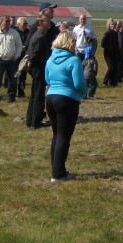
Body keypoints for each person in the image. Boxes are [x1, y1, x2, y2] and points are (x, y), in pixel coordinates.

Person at [44, 31, 86, 183]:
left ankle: (58, 168)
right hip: (67, 99)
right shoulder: (74, 61)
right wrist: (82, 93)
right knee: (64, 136)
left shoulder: (50, 59)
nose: (75, 44)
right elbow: (79, 83)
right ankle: (57, 173)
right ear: (68, 43)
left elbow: (47, 79)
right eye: (74, 41)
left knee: (56, 135)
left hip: (51, 98)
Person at [24, 17, 53, 127]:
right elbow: (34, 54)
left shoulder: (37, 35)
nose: (49, 23)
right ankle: (36, 121)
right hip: (39, 70)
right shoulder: (40, 37)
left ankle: (30, 119)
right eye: (47, 21)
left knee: (34, 95)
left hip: (36, 69)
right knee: (38, 96)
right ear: (40, 23)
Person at [0, 16, 23, 103]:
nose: (7, 23)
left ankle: (11, 97)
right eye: (6, 21)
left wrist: (16, 56)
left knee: (12, 80)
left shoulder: (14, 33)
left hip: (11, 60)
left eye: (9, 21)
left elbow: (19, 46)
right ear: (1, 22)